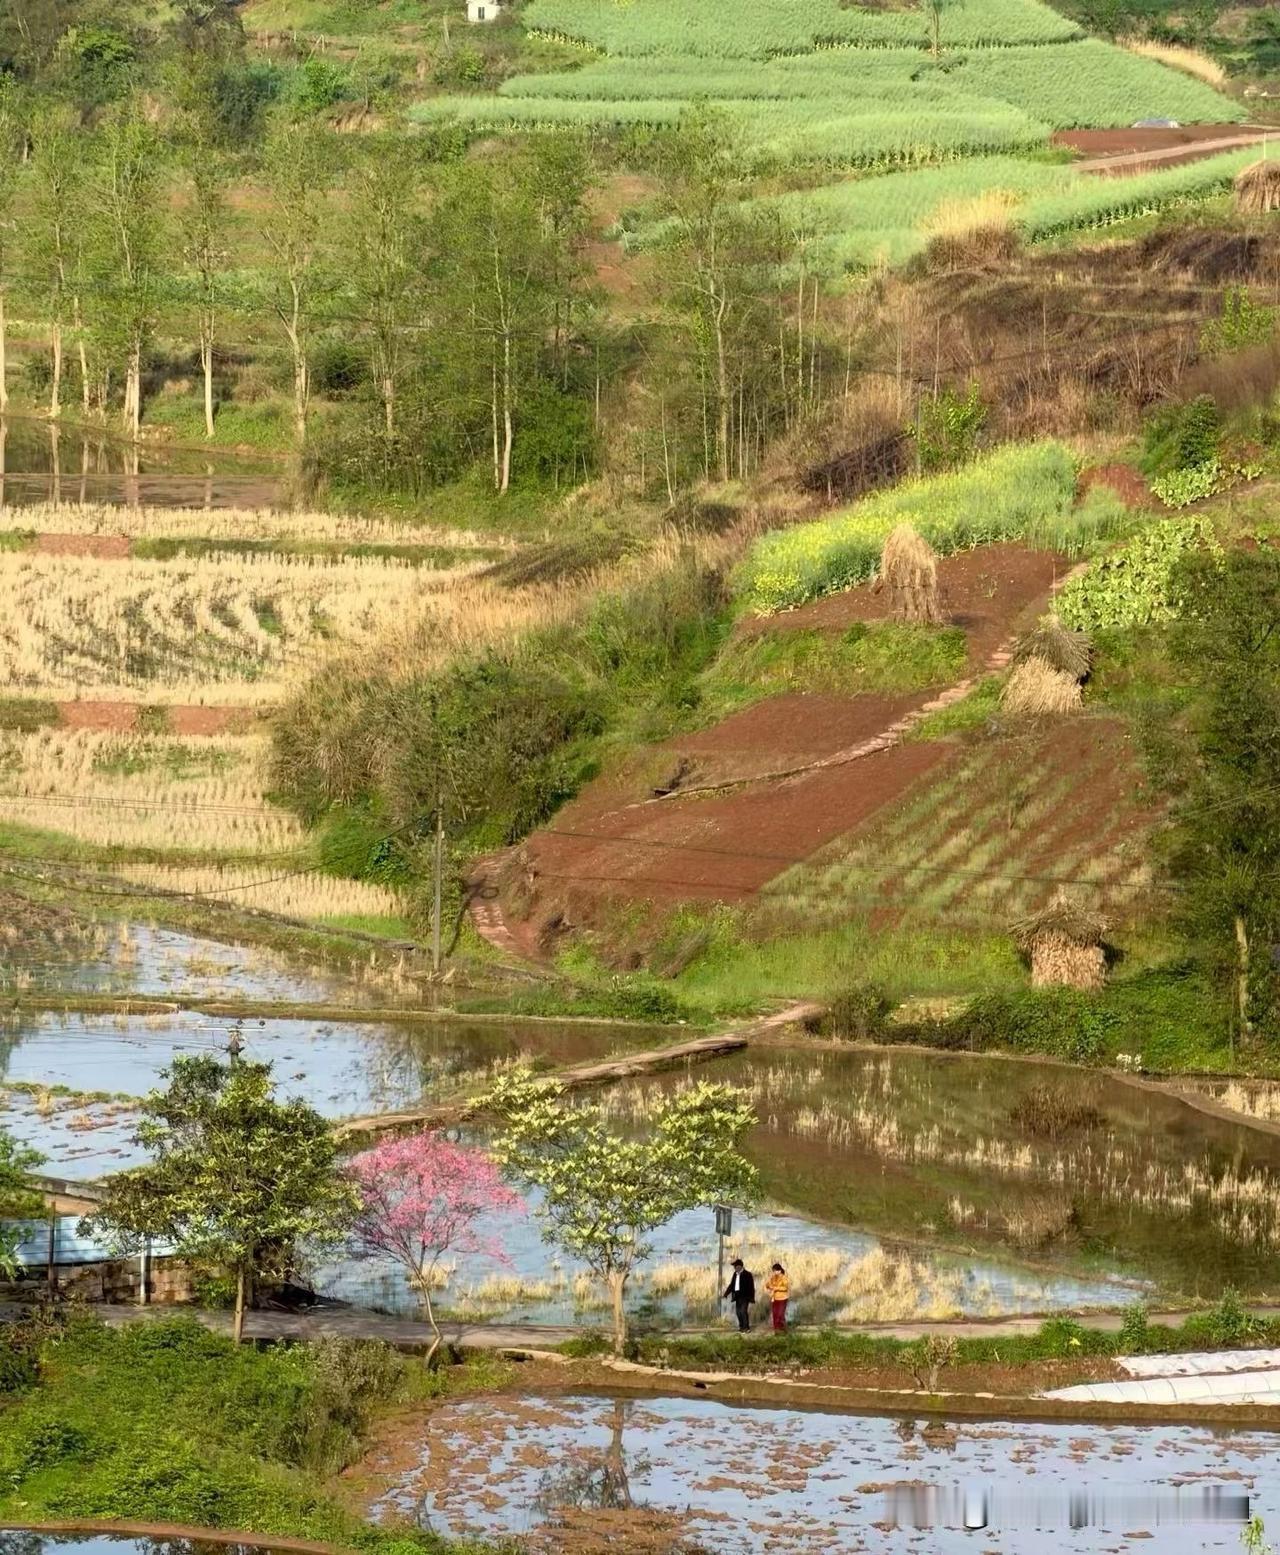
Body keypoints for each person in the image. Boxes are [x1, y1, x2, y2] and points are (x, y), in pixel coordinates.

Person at [723, 1257, 755, 1333]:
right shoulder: (735, 1274)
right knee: (738, 1312)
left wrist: (751, 1297)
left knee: (743, 1311)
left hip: (745, 1296)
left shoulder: (748, 1274)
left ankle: (746, 1328)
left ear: (740, 1266)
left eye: (735, 1266)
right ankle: (741, 1327)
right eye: (734, 1266)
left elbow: (751, 1287)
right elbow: (732, 1285)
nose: (734, 1268)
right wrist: (726, 1293)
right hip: (737, 1296)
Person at [764, 1262, 789, 1331]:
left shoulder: (784, 1278)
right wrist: (768, 1286)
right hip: (774, 1298)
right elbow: (767, 1285)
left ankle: (782, 1329)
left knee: (780, 1315)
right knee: (775, 1315)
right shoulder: (773, 1277)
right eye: (773, 1271)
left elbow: (785, 1288)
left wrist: (775, 1288)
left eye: (775, 1270)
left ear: (780, 1270)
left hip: (782, 1298)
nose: (774, 1272)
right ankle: (776, 1329)